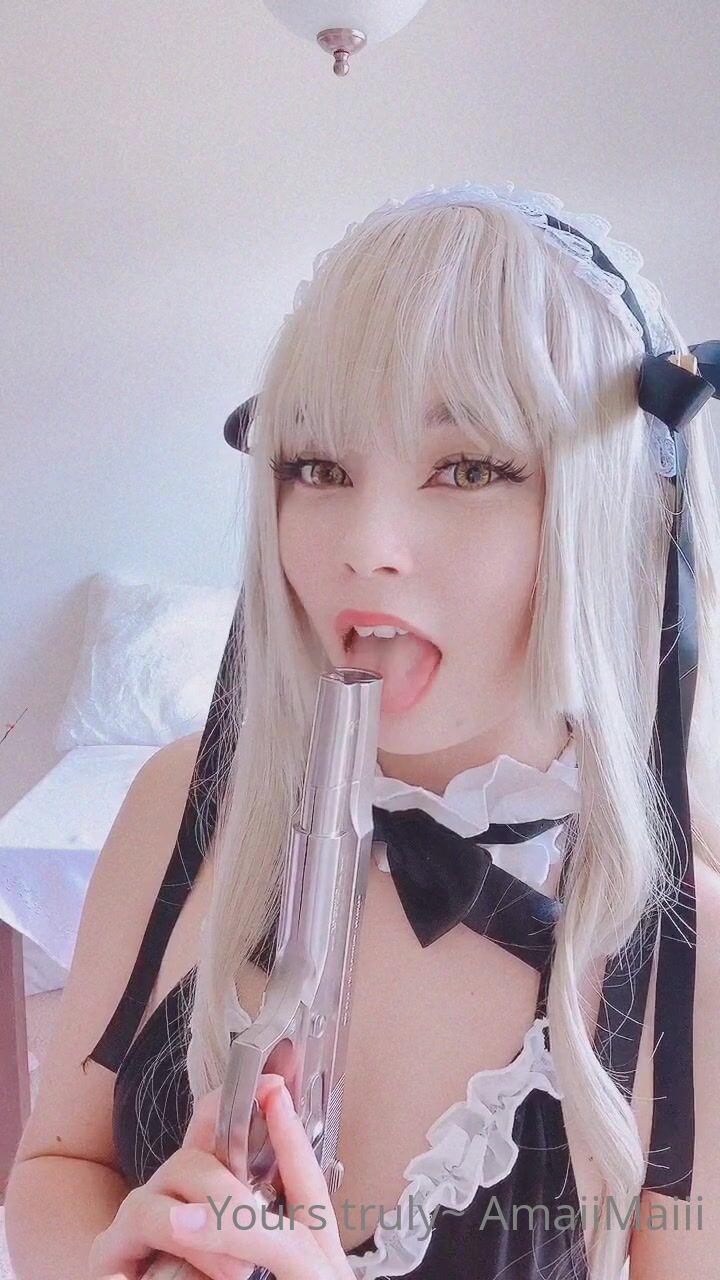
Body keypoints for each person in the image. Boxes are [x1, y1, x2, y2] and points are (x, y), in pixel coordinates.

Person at [6, 181, 720, 1280]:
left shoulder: (688, 951)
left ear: (613, 507)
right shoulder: (186, 801)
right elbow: (59, 1162)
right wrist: (117, 1257)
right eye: (318, 467)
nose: (365, 543)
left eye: (469, 467)